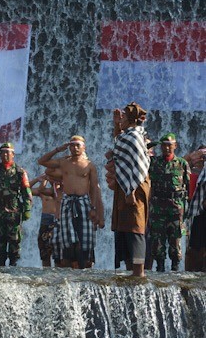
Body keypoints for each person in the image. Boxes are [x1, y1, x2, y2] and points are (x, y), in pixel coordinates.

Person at [38, 135, 104, 269]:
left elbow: (94, 189)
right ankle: (67, 272)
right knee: (67, 241)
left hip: (83, 202)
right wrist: (58, 149)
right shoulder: (64, 162)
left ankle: (84, 270)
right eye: (72, 145)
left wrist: (94, 209)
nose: (74, 148)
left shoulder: (90, 165)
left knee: (84, 241)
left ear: (84, 147)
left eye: (77, 145)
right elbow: (42, 161)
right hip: (67, 202)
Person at [109, 103, 151, 277]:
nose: (122, 121)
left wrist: (131, 191)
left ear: (132, 120)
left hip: (134, 187)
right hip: (125, 187)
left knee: (135, 227)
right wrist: (116, 124)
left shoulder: (134, 137)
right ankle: (130, 269)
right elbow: (118, 144)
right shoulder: (128, 134)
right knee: (124, 227)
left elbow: (138, 167)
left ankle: (138, 272)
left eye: (124, 118)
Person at [147, 134, 190, 271]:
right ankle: (159, 267)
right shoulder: (154, 162)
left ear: (175, 146)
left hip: (176, 208)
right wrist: (152, 143)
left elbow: (188, 187)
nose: (166, 147)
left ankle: (175, 267)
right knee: (157, 240)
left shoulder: (182, 163)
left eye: (169, 144)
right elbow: (141, 154)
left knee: (175, 240)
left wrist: (186, 209)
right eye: (164, 144)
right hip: (158, 208)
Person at [0, 142, 33, 266]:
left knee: (14, 241)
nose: (5, 154)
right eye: (2, 152)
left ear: (13, 154)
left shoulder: (20, 171)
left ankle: (13, 266)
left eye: (7, 152)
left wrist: (27, 209)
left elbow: (26, 192)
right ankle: (1, 266)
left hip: (14, 211)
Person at [30, 174, 61, 267]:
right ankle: (46, 274)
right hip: (46, 220)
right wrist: (38, 179)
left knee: (58, 253)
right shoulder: (43, 192)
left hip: (59, 220)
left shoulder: (64, 190)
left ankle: (58, 275)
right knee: (44, 252)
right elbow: (26, 189)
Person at [184, 146, 206, 271]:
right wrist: (190, 158)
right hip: (193, 213)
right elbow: (175, 166)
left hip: (200, 212)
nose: (202, 160)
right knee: (193, 248)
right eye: (201, 156)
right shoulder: (190, 171)